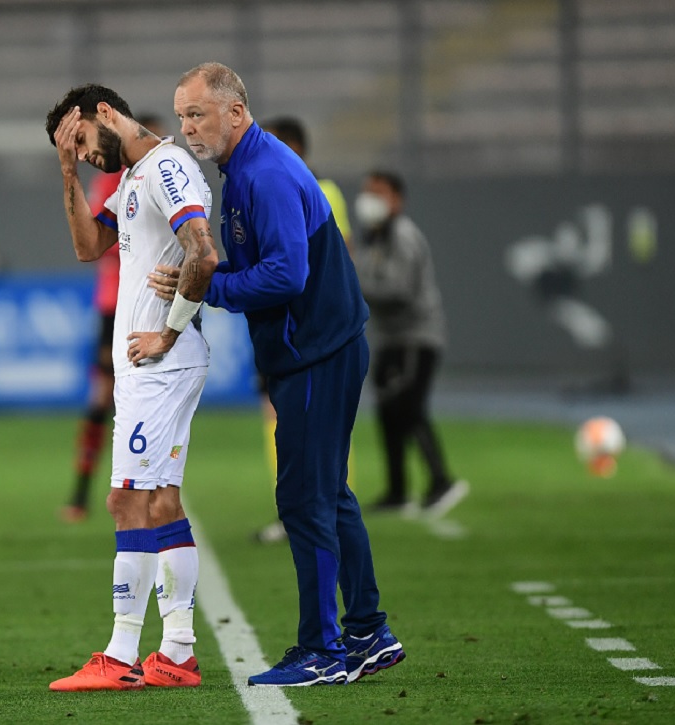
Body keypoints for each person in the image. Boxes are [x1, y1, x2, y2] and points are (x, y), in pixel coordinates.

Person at [154, 61, 405, 686]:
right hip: (319, 349)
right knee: (330, 494)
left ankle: (322, 650)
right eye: (182, 115)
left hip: (317, 353)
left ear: (235, 112)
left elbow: (287, 276)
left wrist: (210, 286)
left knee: (304, 499)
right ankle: (369, 631)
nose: (188, 127)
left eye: (198, 114)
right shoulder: (244, 166)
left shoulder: (262, 174)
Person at [44, 84, 218, 692]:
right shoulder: (137, 174)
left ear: (107, 115)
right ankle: (178, 653)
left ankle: (119, 656)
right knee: (162, 502)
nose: (88, 156)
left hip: (160, 366)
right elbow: (88, 247)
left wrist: (166, 335)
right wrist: (67, 171)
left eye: (85, 142)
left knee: (126, 501)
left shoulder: (166, 167)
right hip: (156, 367)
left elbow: (204, 253)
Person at [252, 116, 356, 544]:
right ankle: (293, 510)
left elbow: (340, 258)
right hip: (279, 323)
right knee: (277, 417)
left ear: (293, 147)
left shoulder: (321, 191)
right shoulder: (268, 191)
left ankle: (320, 509)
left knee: (314, 422)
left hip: (311, 327)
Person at [62, 116, 166, 524]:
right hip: (115, 305)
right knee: (103, 399)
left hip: (151, 301)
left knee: (150, 400)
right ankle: (82, 493)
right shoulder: (114, 182)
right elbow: (95, 242)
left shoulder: (166, 178)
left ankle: (157, 487)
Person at [352, 170, 468, 517]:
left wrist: (354, 284)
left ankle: (441, 480)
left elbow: (400, 290)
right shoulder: (376, 237)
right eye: (367, 191)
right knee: (389, 411)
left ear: (397, 200)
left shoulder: (402, 236)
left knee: (409, 406)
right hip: (391, 338)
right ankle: (398, 490)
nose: (369, 198)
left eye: (379, 192)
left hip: (416, 337)